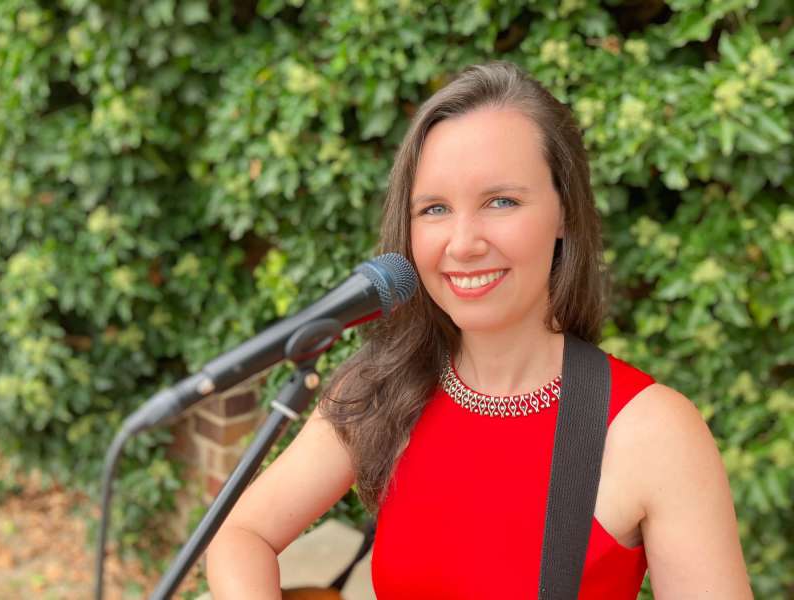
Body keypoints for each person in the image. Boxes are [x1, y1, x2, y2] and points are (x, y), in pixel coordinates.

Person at [205, 61, 753, 599]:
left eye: (501, 201)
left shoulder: (652, 430)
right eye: (435, 209)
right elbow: (239, 534)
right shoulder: (384, 389)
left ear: (564, 212)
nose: (463, 243)